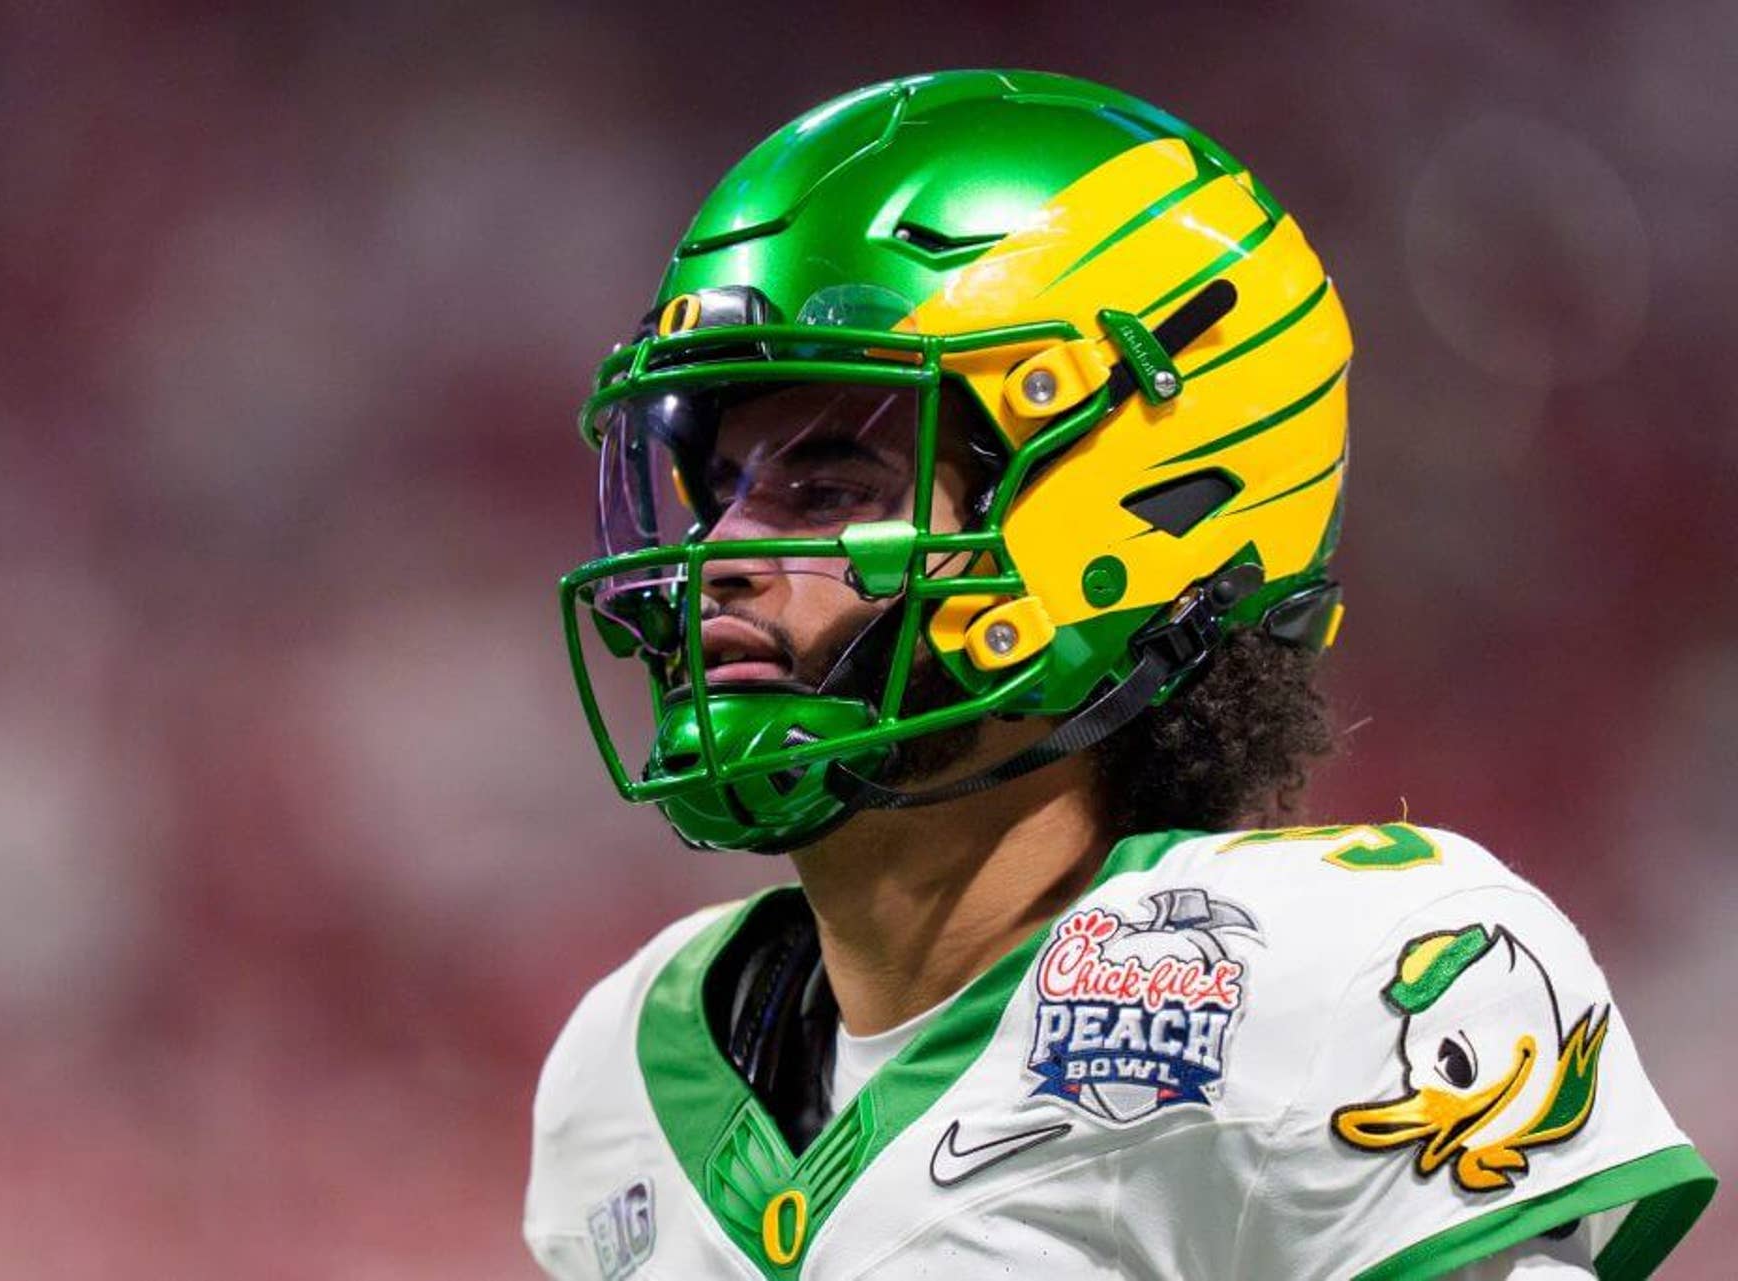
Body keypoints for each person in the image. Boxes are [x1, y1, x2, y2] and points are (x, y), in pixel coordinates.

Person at [523, 71, 1713, 1279]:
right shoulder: (628, 1071)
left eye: (827, 489)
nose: (723, 556)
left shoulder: (1334, 981)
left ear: (1133, 513)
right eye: (719, 493)